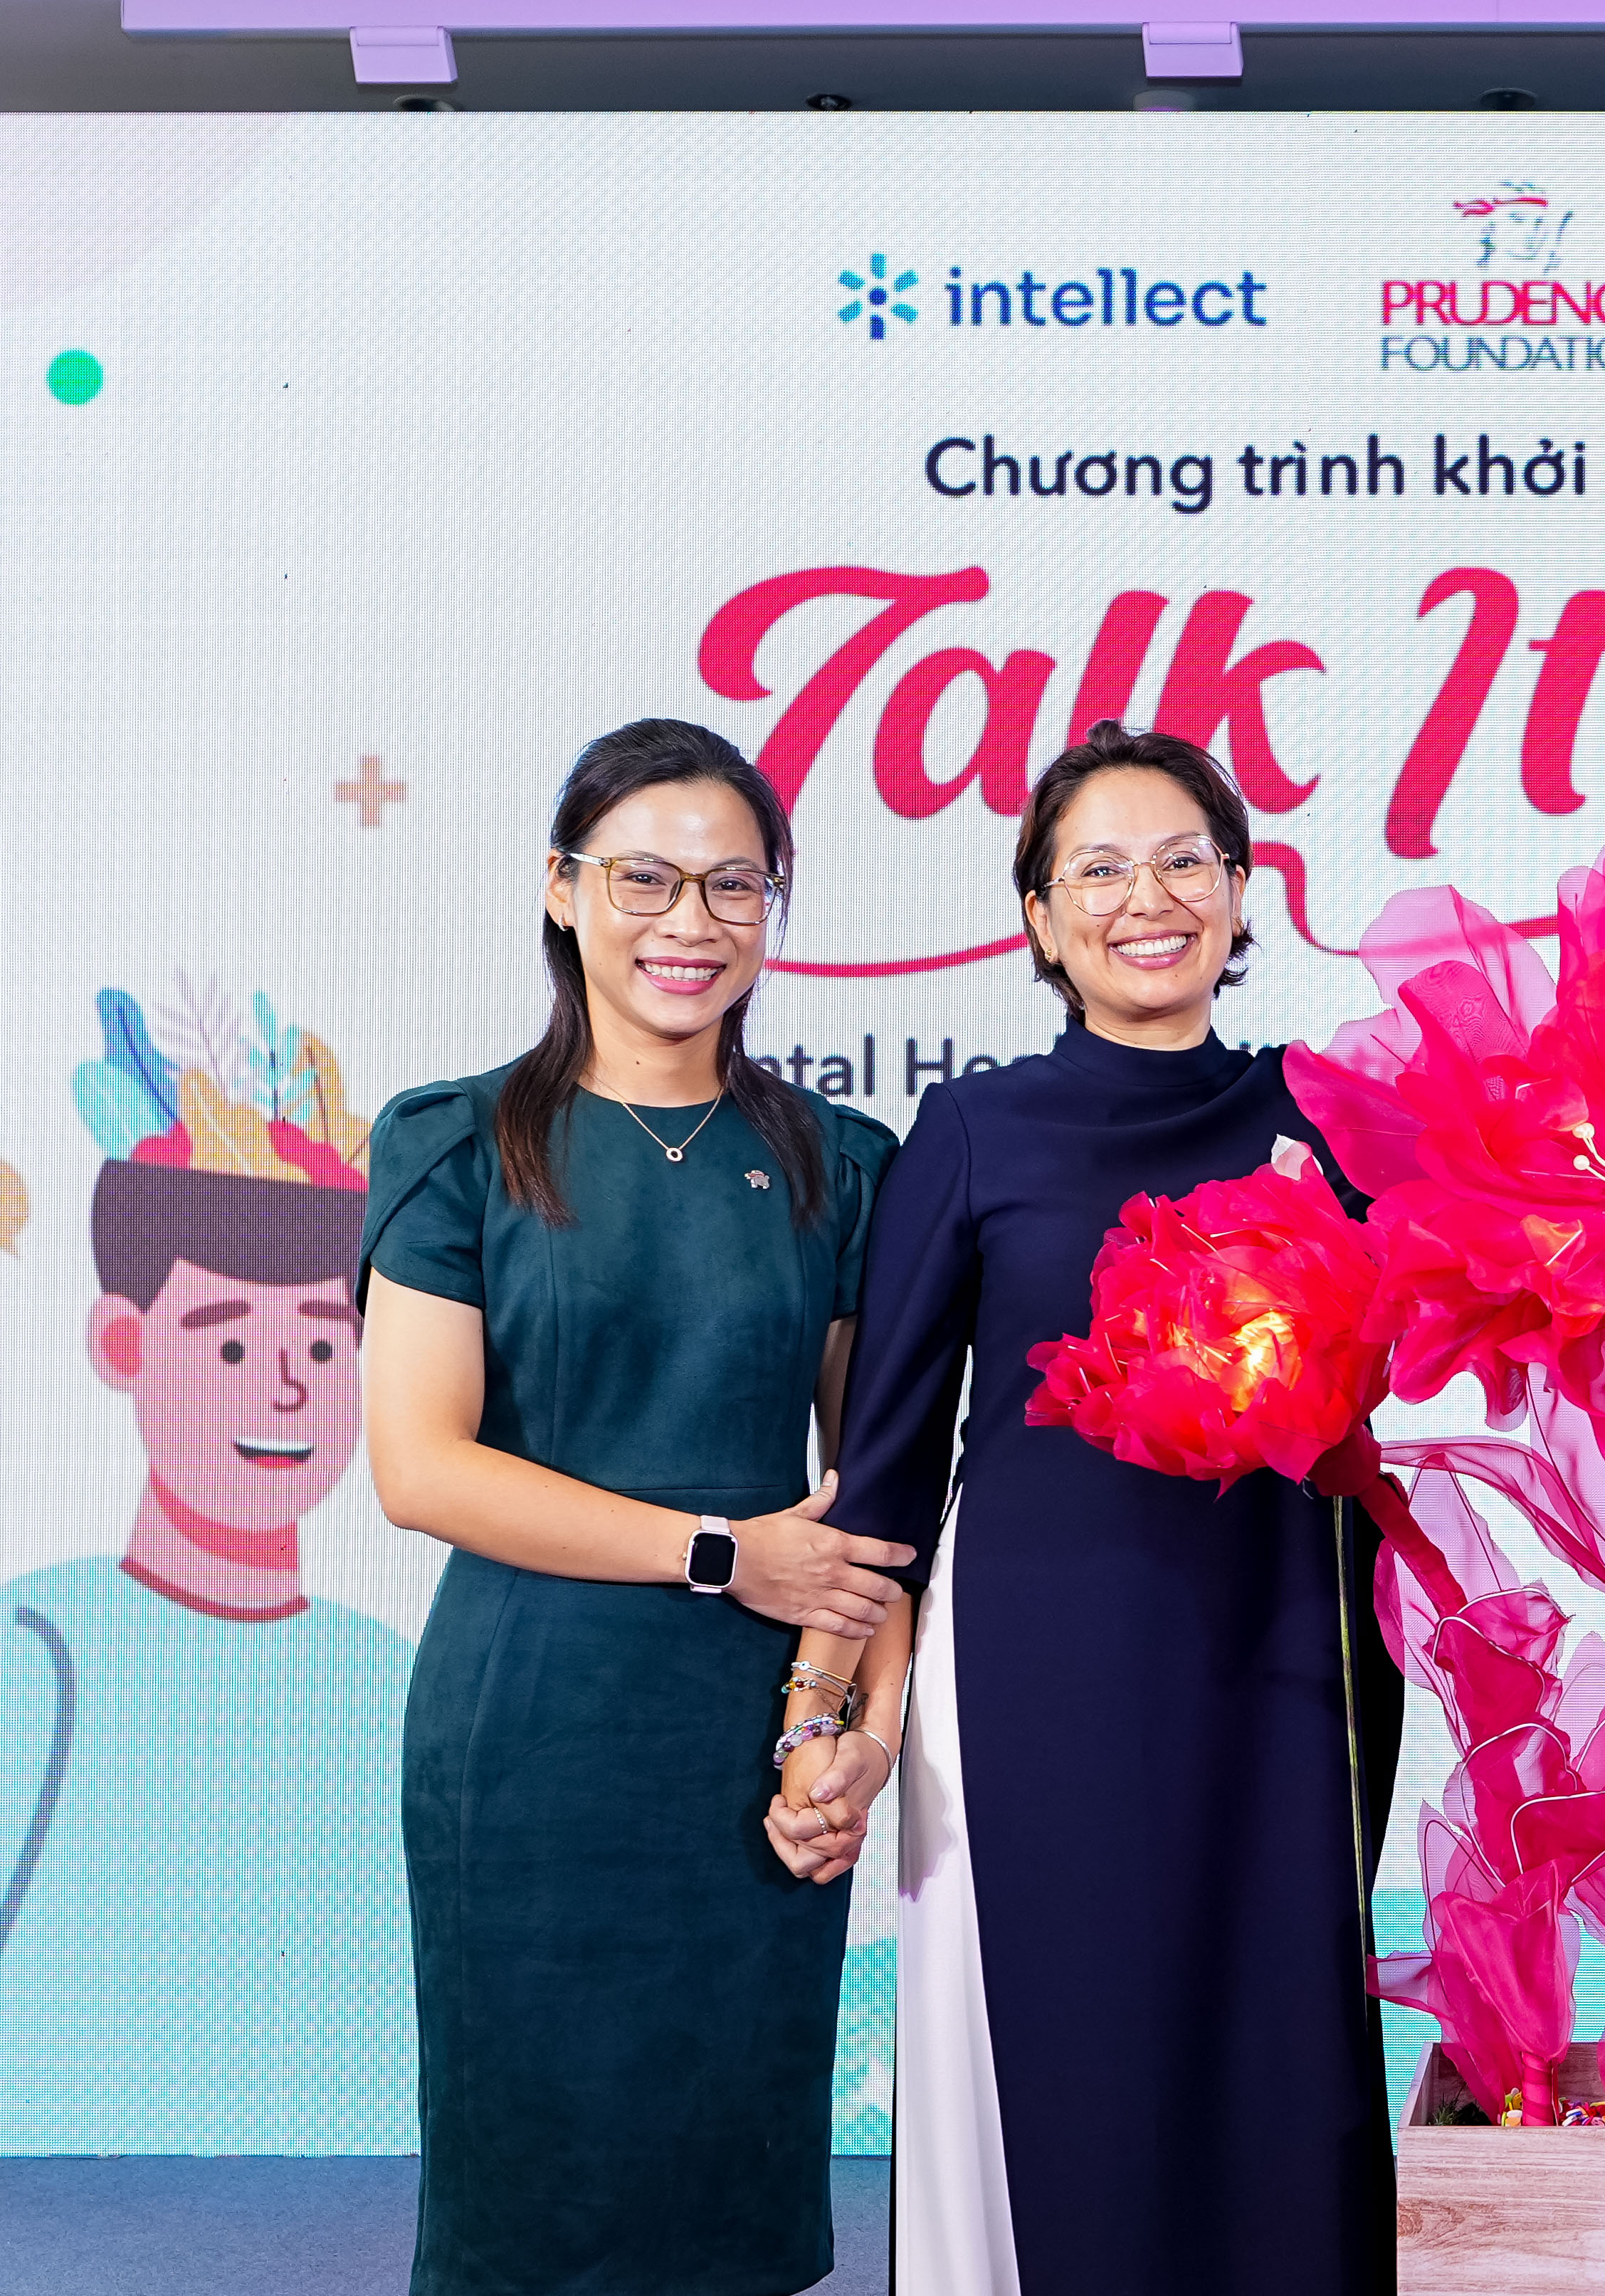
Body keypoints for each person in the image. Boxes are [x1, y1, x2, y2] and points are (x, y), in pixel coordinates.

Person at [784, 720, 1403, 2296]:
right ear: (1043, 923)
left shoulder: (1336, 1118)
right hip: (1038, 1665)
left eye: (1187, 860)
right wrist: (822, 1714)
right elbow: (892, 1461)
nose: (1151, 897)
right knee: (1072, 2041)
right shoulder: (978, 1133)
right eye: (1102, 869)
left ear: (1247, 895)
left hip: (1288, 1651)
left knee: (1281, 2052)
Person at [361, 719, 907, 2296]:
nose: (691, 924)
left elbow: (869, 1508)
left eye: (735, 887)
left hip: (753, 1747)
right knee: (528, 2205)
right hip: (524, 1738)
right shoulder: (456, 1144)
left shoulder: (837, 1164)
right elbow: (423, 1466)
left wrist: (855, 1735)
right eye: (647, 879)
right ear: (562, 888)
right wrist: (722, 1555)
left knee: (731, 2197)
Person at [0, 990, 412, 2151]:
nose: (284, 1387)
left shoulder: (392, 1672)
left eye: (323, 1345)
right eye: (231, 1341)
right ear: (123, 1346)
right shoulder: (37, 1645)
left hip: (360, 2191)